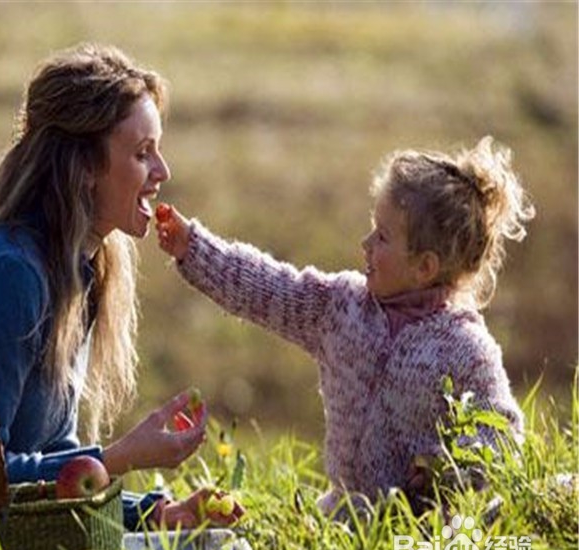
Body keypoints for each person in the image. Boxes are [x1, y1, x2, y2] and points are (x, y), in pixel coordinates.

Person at [0, 43, 242, 530]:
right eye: (141, 153)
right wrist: (119, 458)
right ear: (85, 167)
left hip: (5, 542)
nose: (162, 172)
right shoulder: (9, 277)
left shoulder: (78, 272)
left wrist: (155, 515)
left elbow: (51, 457)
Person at [156, 136, 533, 515]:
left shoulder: (467, 348)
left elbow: (501, 436)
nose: (365, 243)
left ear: (425, 267)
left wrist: (448, 470)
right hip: (342, 514)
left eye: (382, 237)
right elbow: (267, 288)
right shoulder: (342, 307)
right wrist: (194, 248)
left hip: (423, 527)